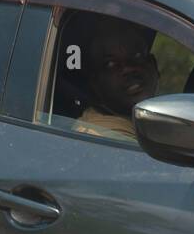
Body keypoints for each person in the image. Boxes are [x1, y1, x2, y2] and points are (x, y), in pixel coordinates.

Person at [63, 11, 160, 142]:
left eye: (137, 56)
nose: (128, 68)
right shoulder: (100, 137)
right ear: (95, 84)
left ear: (154, 64)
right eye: (110, 64)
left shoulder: (148, 125)